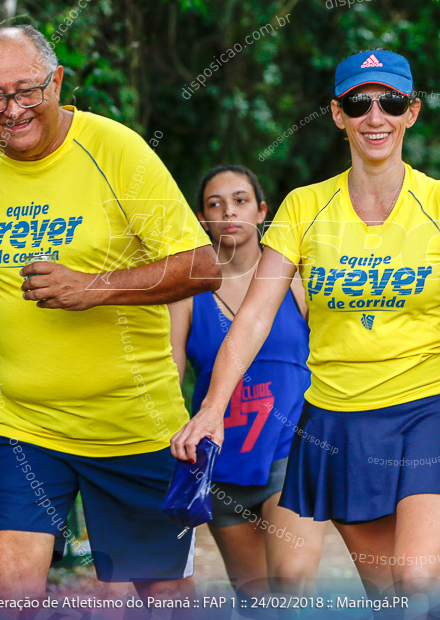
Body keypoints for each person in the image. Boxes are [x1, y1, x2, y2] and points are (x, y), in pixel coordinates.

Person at [171, 49, 440, 603]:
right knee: (390, 596)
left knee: (419, 580)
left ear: (412, 112)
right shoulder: (304, 208)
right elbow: (257, 314)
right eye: (360, 103)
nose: (375, 116)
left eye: (392, 102)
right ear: (338, 115)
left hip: (430, 410)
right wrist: (212, 407)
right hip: (339, 425)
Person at [0, 26, 221, 603]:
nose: (11, 111)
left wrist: (97, 288)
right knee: (14, 590)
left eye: (25, 92)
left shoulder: (117, 151)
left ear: (57, 81)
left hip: (132, 425)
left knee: (164, 597)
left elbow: (201, 266)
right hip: (19, 424)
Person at [168, 165, 325, 593]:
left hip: (292, 452)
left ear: (261, 211)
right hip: (220, 462)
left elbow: (336, 355)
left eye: (239, 200)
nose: (228, 212)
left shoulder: (298, 279)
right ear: (203, 220)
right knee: (255, 596)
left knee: (293, 583)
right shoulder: (188, 291)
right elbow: (170, 374)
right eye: (215, 204)